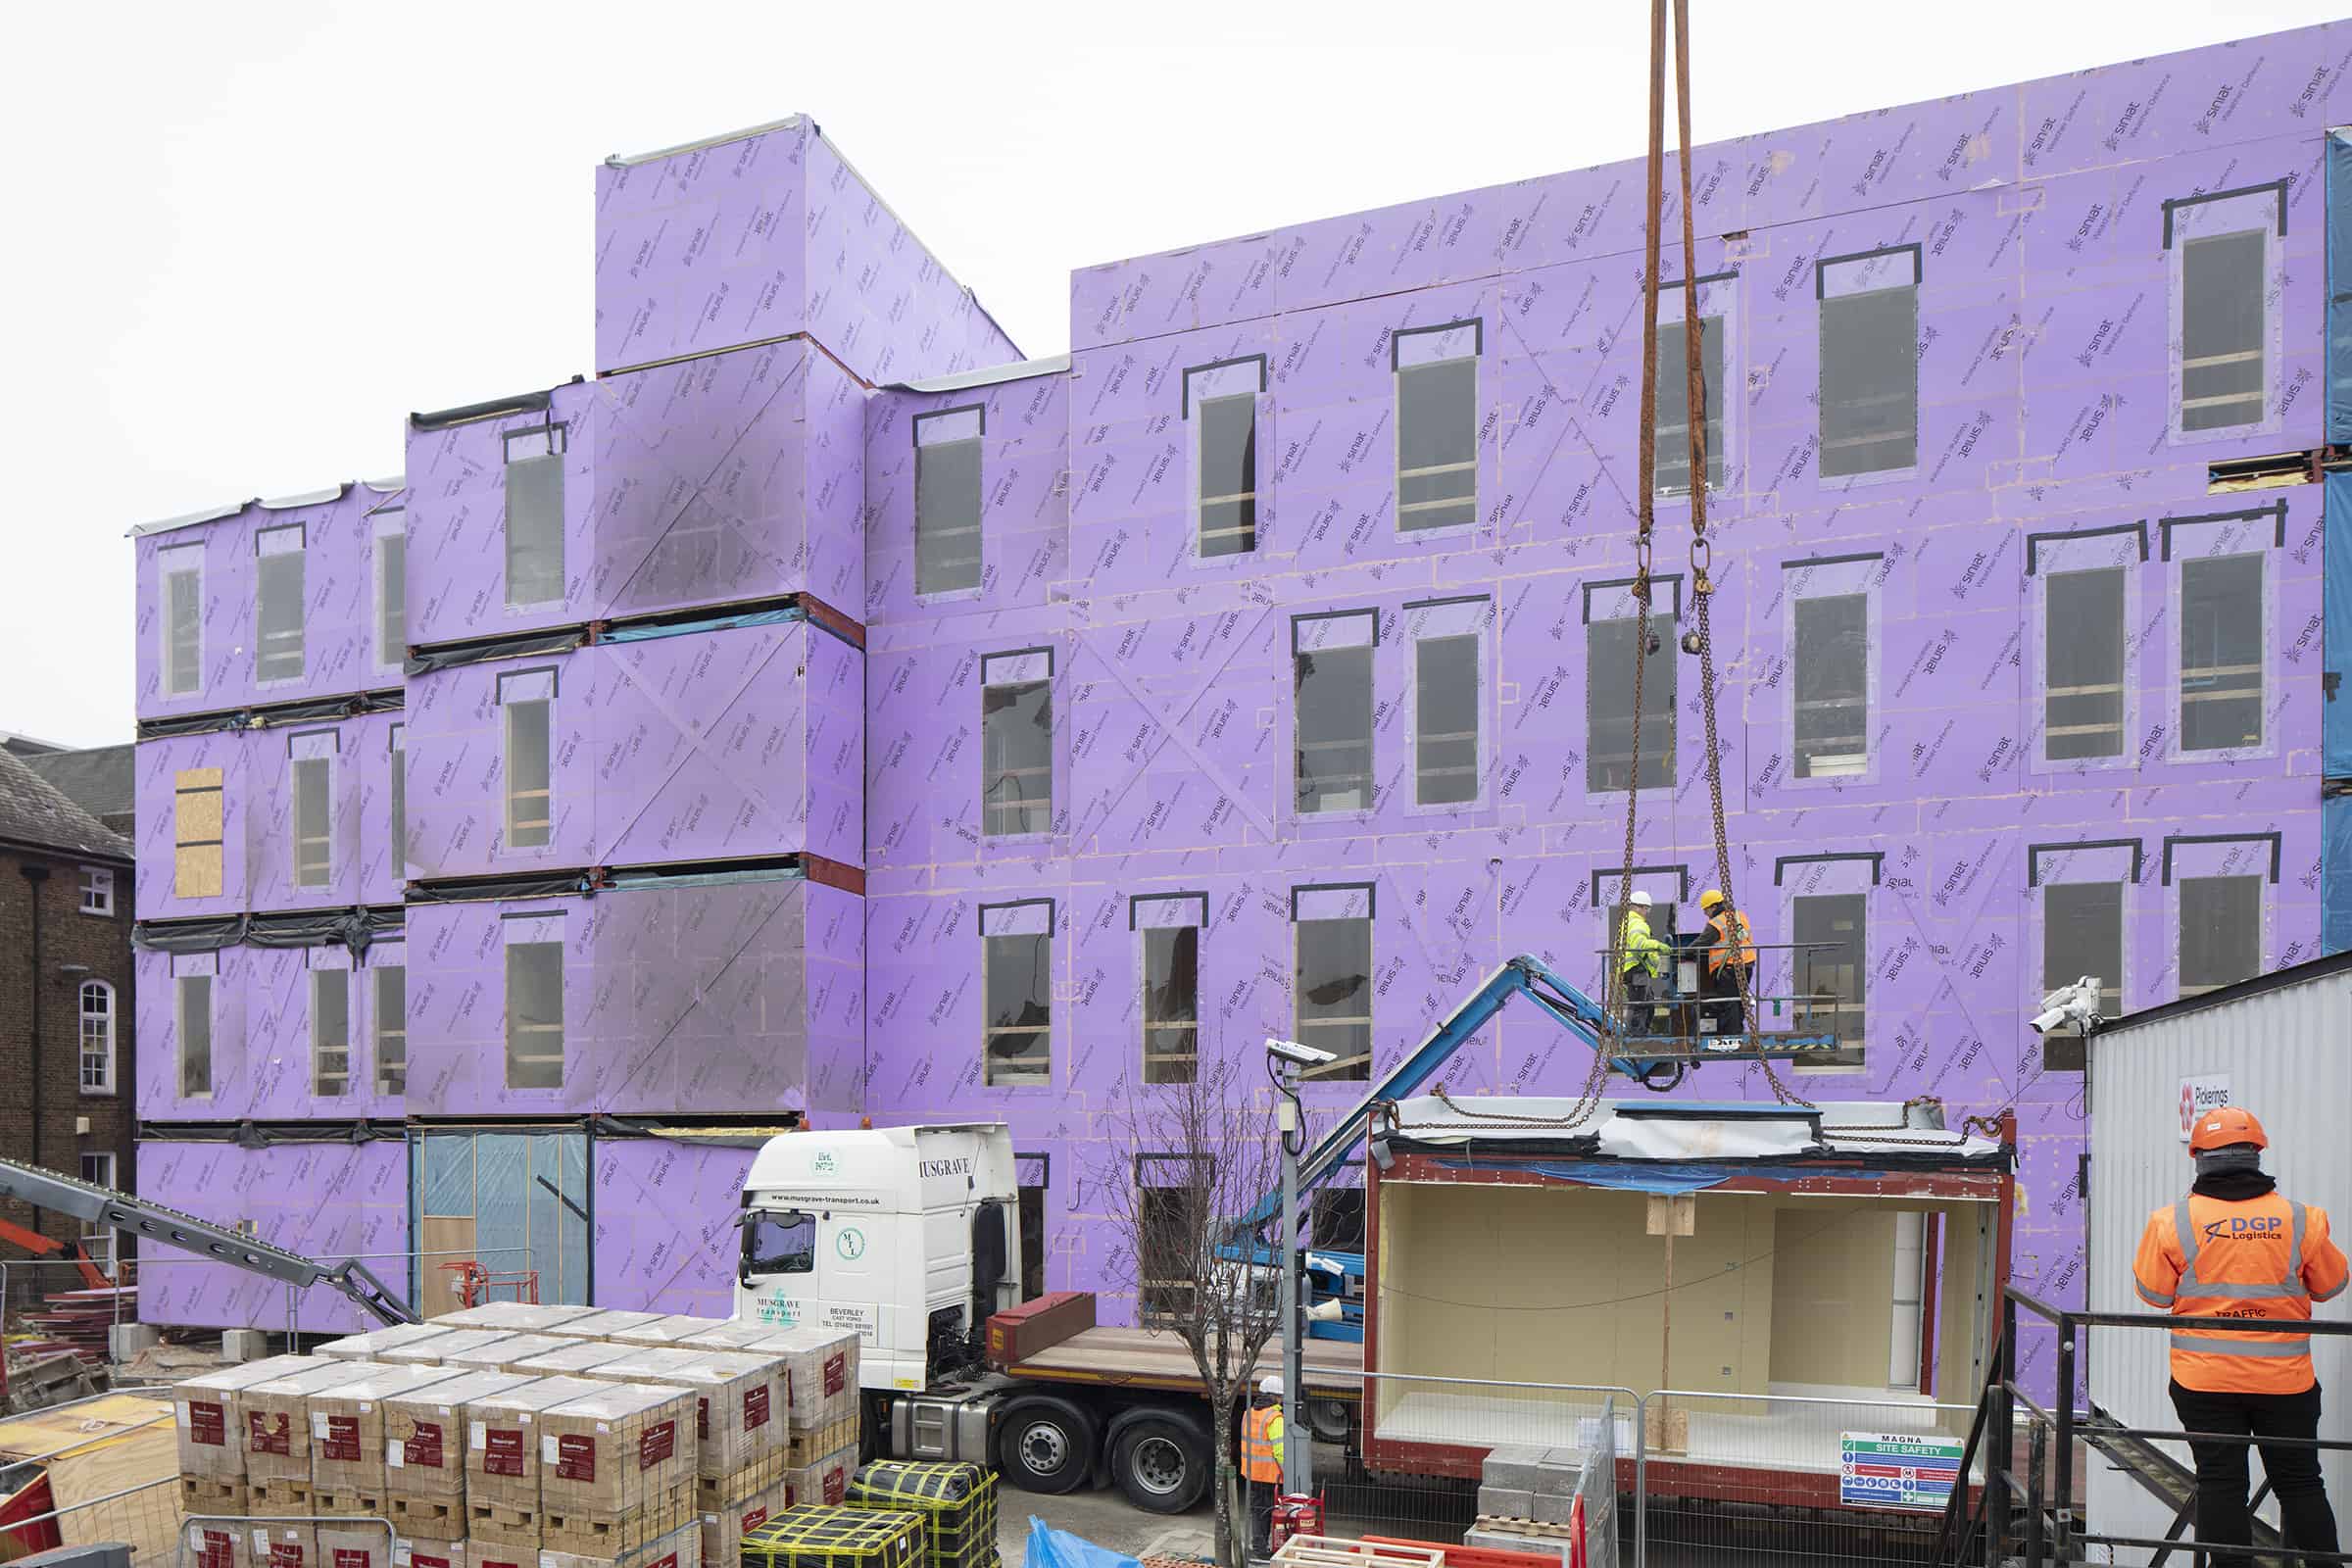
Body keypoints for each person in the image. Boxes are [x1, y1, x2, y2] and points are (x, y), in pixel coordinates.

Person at [2132, 1106, 2347, 1567]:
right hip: (2285, 1381)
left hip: (2204, 1382)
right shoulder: (2302, 1219)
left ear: (2198, 1158)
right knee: (2301, 1481)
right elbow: (2331, 1286)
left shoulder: (2171, 1222)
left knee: (2220, 1482)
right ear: (2257, 1154)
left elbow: (2153, 1294)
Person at [1698, 889, 1756, 1038]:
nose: (1706, 914)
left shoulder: (1717, 922)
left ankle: (1732, 1034)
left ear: (1713, 907)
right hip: (1747, 964)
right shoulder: (1740, 916)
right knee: (1739, 999)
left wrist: (1682, 952)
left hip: (1729, 967)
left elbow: (1702, 943)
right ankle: (1737, 1030)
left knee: (1729, 1001)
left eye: (1706, 911)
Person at [1241, 1374, 1285, 1557]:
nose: (1282, 1399)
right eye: (1281, 1396)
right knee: (1270, 1514)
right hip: (1270, 1476)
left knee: (1257, 1512)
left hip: (1252, 1474)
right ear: (1275, 1396)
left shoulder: (1248, 1414)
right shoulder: (1275, 1418)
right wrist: (1288, 1472)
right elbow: (1280, 1452)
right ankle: (1264, 1550)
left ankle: (1258, 1547)